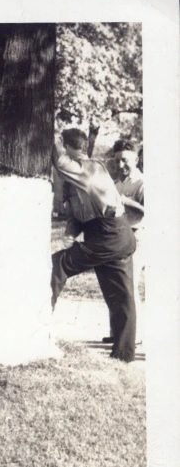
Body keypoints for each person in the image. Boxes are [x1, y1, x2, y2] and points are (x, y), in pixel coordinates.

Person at [51, 128, 137, 362]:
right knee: (120, 296)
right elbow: (76, 215)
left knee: (57, 265)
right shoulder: (75, 178)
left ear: (68, 146)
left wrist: (50, 134)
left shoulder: (89, 169)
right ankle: (123, 356)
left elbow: (59, 161)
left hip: (110, 234)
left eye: (62, 145)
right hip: (108, 235)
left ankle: (38, 322)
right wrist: (70, 234)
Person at [104, 139, 145, 345]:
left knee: (129, 285)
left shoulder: (143, 182)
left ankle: (134, 336)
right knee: (116, 285)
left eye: (126, 160)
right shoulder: (117, 182)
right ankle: (117, 332)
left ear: (136, 159)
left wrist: (124, 201)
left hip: (138, 237)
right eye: (118, 160)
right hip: (118, 238)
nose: (121, 165)